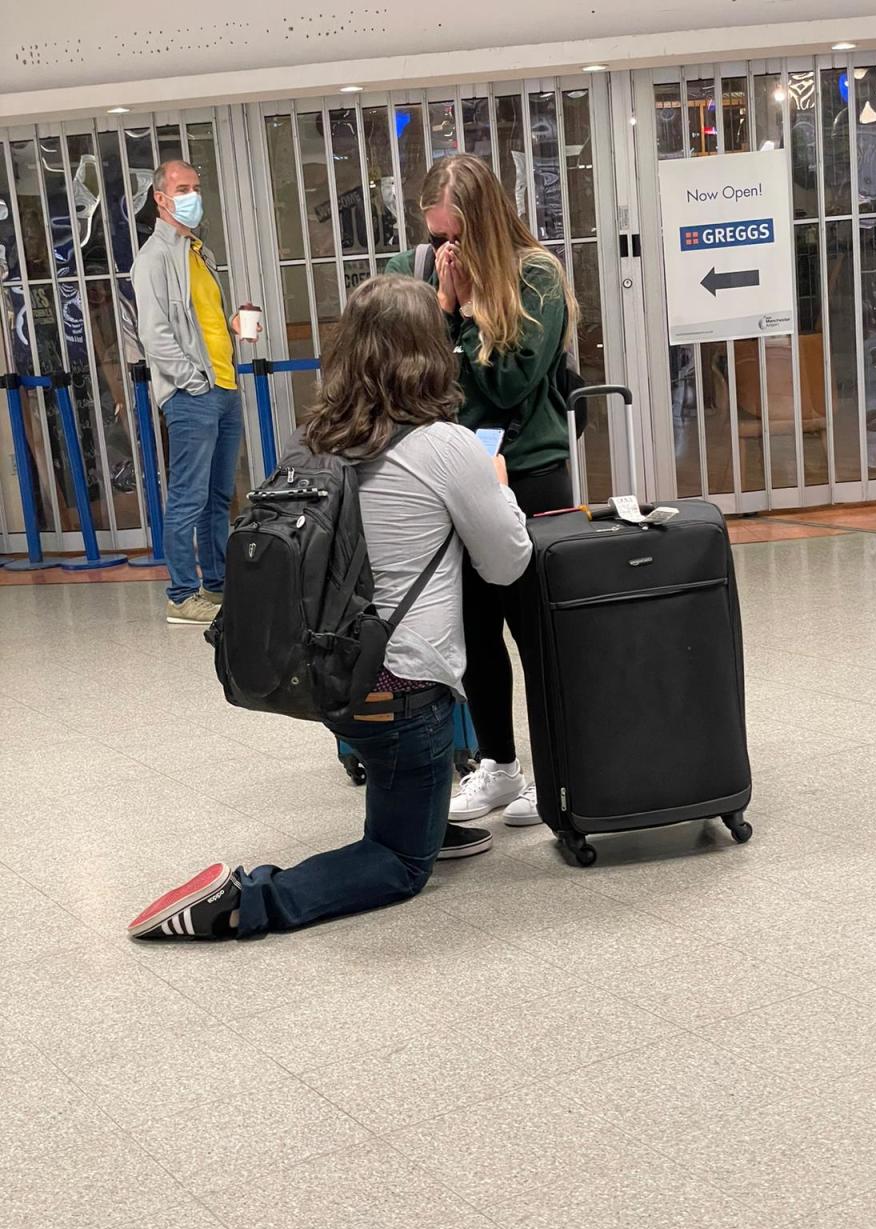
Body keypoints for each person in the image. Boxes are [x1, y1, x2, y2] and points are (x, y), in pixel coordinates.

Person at [127, 275, 532, 941]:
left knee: (409, 791)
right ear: (429, 352)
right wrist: (495, 482)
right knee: (402, 862)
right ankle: (244, 901)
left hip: (328, 680)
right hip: (401, 692)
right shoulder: (447, 447)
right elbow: (507, 561)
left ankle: (420, 813)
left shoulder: (309, 440)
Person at [386, 155, 576, 828]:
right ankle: (498, 765)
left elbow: (507, 385)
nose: (443, 250)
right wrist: (441, 307)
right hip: (461, 474)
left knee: (536, 628)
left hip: (529, 471)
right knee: (475, 628)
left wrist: (467, 309)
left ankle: (556, 769)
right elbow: (428, 384)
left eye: (452, 237)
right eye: (436, 238)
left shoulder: (537, 276)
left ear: (481, 222)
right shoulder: (436, 279)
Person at [131, 159, 259, 625]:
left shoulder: (197, 252)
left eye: (196, 187)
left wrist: (230, 330)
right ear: (161, 199)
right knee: (188, 495)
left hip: (223, 386)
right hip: (194, 395)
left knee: (219, 496)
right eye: (182, 188)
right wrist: (192, 380)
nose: (192, 196)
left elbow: (197, 323)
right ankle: (182, 594)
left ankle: (217, 585)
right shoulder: (152, 258)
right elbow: (155, 333)